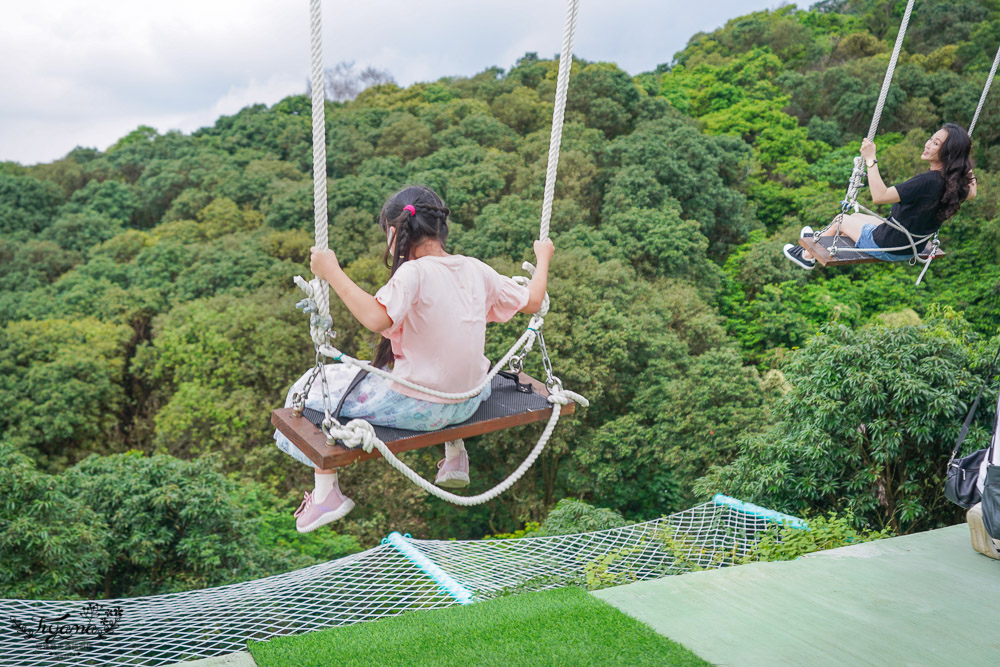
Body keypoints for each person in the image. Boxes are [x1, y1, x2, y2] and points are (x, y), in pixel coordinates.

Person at [274, 185, 554, 533]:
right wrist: (543, 258)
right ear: (440, 228)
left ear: (395, 232)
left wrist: (332, 273)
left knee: (308, 386)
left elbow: (378, 320)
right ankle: (455, 457)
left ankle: (325, 492)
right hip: (468, 400)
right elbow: (533, 299)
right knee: (431, 363)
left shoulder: (412, 274)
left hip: (421, 409)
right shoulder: (475, 269)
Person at [784, 123, 977, 269]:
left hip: (888, 245)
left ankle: (807, 256)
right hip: (912, 245)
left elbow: (880, 196)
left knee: (841, 220)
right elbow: (973, 193)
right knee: (856, 218)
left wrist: (870, 159)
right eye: (931, 139)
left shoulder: (927, 181)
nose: (927, 144)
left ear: (949, 153)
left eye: (936, 143)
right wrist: (964, 163)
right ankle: (820, 240)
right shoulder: (956, 184)